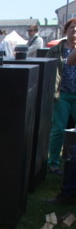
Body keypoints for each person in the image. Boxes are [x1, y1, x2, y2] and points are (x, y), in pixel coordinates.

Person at [45, 18, 76, 174]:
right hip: (61, 94)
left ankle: (72, 161)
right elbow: (48, 68)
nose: (75, 30)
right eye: (72, 28)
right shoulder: (57, 49)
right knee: (58, 129)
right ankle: (53, 162)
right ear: (66, 30)